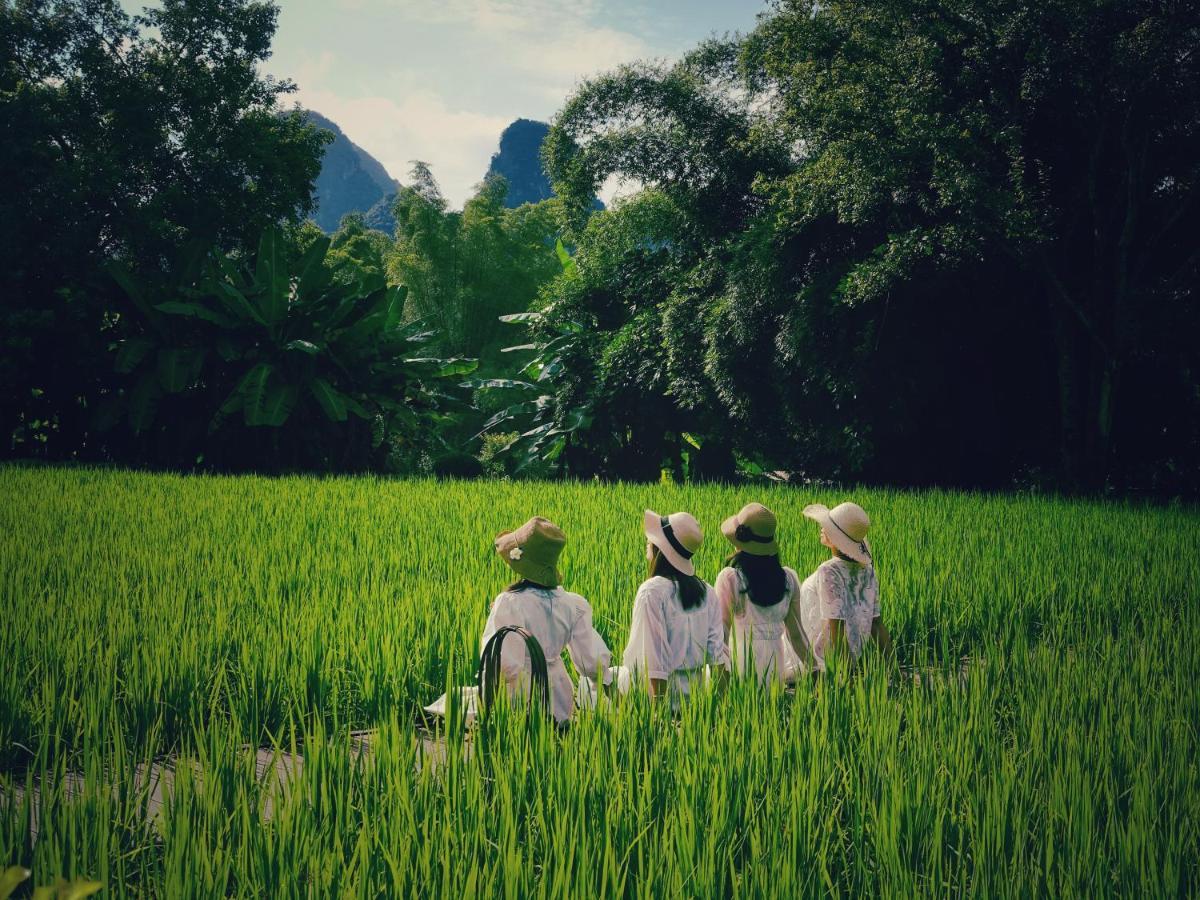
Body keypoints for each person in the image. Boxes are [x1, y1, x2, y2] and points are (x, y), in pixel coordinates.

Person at [477, 516, 614, 724]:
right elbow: (590, 661)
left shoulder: (510, 602)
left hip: (519, 702)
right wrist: (608, 686)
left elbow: (502, 664)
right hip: (559, 699)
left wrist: (486, 706)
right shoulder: (571, 603)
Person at [621, 510, 730, 705]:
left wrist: (658, 715)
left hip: (654, 697)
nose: (648, 542)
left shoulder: (652, 592)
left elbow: (654, 660)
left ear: (660, 549)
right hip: (695, 695)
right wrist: (719, 708)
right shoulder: (707, 591)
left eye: (652, 539)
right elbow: (717, 658)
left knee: (591, 684)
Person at [782, 501, 892, 677]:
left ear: (836, 538)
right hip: (846, 656)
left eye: (827, 526)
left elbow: (836, 626)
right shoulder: (869, 571)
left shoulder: (829, 571)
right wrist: (893, 668)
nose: (821, 528)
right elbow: (877, 624)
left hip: (817, 660)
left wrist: (845, 676)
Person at [715, 502, 815, 684]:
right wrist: (816, 670)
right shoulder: (788, 579)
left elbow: (720, 635)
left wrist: (721, 683)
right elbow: (797, 635)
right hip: (774, 673)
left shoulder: (731, 579)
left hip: (739, 671)